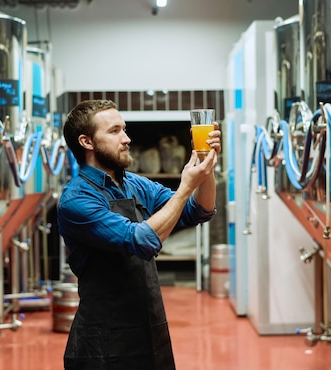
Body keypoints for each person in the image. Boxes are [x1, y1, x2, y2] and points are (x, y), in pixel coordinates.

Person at [57, 99, 220, 370]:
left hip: (149, 332)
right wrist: (185, 187)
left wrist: (207, 168)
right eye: (115, 131)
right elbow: (141, 240)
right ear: (87, 142)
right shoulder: (76, 199)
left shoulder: (134, 184)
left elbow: (197, 211)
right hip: (102, 345)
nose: (126, 138)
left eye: (124, 129)